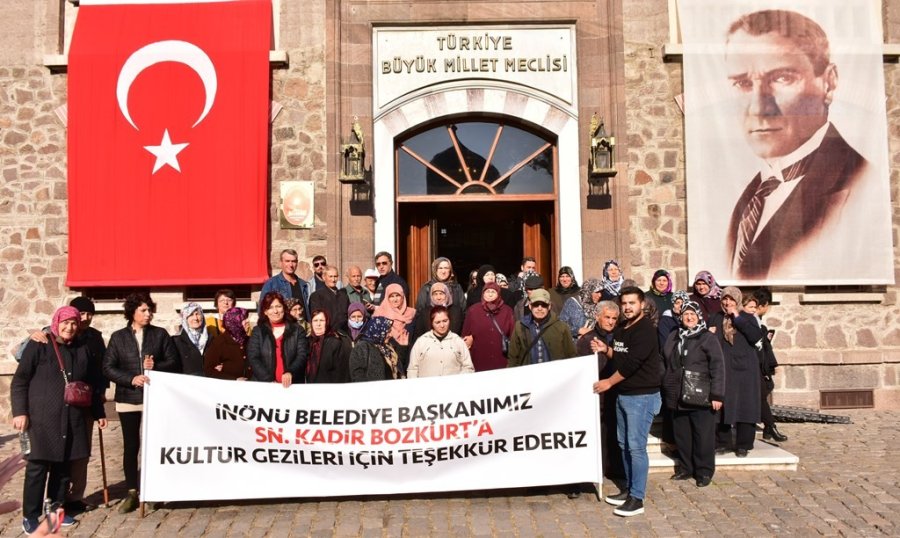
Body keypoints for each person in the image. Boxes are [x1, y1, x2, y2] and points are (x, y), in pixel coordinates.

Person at [722, 9, 888, 281]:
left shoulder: (861, 185)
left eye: (782, 78)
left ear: (829, 83)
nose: (758, 107)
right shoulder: (749, 200)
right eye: (742, 83)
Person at [12, 306, 107, 532]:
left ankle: (55, 509)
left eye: (74, 323)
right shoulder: (40, 345)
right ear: (56, 322)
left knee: (63, 468)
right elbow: (20, 381)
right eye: (65, 322)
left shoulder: (83, 349)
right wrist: (20, 412)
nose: (70, 327)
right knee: (38, 467)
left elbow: (91, 384)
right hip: (42, 419)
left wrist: (99, 413)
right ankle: (31, 516)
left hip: (72, 417)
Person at [102, 292, 178, 513]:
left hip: (155, 397)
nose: (148, 314)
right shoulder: (118, 337)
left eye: (150, 310)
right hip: (128, 398)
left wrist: (156, 367)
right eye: (143, 310)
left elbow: (173, 361)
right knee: (131, 445)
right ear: (132, 313)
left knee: (154, 445)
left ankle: (153, 489)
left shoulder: (160, 334)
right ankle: (132, 491)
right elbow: (108, 366)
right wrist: (131, 379)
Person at [592, 287, 663, 517]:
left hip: (642, 397)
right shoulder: (622, 328)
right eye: (624, 303)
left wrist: (608, 383)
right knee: (624, 444)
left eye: (632, 303)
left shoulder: (646, 331)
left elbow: (632, 364)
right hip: (625, 395)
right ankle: (628, 489)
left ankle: (637, 498)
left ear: (641, 304)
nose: (628, 307)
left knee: (636, 447)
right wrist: (607, 350)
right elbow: (622, 356)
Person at [661, 301, 725, 488]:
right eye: (686, 314)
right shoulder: (674, 336)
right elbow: (664, 360)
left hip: (701, 396)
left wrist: (717, 395)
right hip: (677, 394)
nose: (689, 317)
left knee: (702, 436)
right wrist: (665, 380)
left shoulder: (707, 338)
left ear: (699, 317)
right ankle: (686, 468)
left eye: (693, 314)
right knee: (682, 436)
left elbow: (718, 367)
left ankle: (704, 471)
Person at [710, 287, 763, 457]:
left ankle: (743, 444)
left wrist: (737, 316)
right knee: (724, 406)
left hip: (745, 370)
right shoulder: (716, 318)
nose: (728, 303)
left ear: (738, 300)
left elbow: (755, 336)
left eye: (731, 299)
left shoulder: (747, 318)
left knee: (745, 405)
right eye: (725, 299)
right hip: (724, 369)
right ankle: (723, 443)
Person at [576, 300, 624, 481]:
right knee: (600, 434)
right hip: (598, 395)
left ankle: (616, 468)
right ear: (597, 317)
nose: (611, 322)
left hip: (619, 393)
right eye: (607, 317)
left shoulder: (621, 336)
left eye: (614, 318)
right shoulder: (587, 340)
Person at [247, 292, 309, 387]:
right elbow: (253, 357)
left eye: (278, 306)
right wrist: (268, 380)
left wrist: (291, 372)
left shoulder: (297, 330)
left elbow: (302, 355)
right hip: (264, 386)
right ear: (265, 311)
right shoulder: (258, 331)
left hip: (292, 386)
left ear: (284, 308)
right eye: (270, 308)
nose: (275, 311)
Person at [753, 287, 788, 442]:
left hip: (759, 365)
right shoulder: (753, 321)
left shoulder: (759, 322)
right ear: (765, 305)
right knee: (761, 394)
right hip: (752, 365)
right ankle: (770, 426)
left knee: (766, 389)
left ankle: (768, 427)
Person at [507, 288, 576, 367]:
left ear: (549, 306)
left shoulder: (561, 327)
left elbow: (571, 355)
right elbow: (513, 357)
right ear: (530, 306)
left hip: (554, 375)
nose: (540, 308)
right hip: (528, 375)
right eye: (536, 304)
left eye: (544, 305)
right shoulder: (520, 326)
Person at [407, 306, 475, 378]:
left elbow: (468, 367)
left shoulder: (458, 341)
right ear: (432, 323)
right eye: (437, 322)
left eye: (445, 321)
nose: (442, 325)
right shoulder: (421, 342)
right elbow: (412, 369)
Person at [461, 282, 514, 372]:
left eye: (493, 292)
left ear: (498, 294)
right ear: (483, 293)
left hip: (501, 360)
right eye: (487, 291)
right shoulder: (473, 310)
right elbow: (465, 334)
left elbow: (512, 334)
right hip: (479, 359)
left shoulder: (507, 311)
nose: (490, 294)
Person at [373, 283, 416, 371]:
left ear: (403, 297)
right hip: (387, 361)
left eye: (398, 295)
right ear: (386, 298)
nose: (395, 299)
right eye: (391, 296)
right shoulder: (379, 315)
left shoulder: (412, 313)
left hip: (408, 357)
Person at [260, 249, 310, 320]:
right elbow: (262, 309)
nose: (291, 265)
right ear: (281, 263)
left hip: (302, 327)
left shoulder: (303, 284)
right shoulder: (271, 283)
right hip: (282, 328)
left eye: (293, 261)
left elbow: (307, 310)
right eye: (287, 261)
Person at [349, 316, 403, 381]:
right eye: (388, 332)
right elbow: (357, 375)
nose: (391, 335)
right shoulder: (362, 347)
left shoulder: (387, 347)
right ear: (378, 331)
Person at [203, 307, 250, 380]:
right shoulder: (220, 342)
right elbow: (209, 370)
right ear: (234, 322)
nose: (247, 321)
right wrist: (233, 380)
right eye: (243, 319)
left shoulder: (249, 340)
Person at [305, 310, 349, 383]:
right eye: (315, 320)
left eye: (322, 320)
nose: (318, 324)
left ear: (327, 323)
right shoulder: (307, 342)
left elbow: (341, 373)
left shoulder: (335, 343)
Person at [172, 302, 210, 376]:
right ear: (185, 318)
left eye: (198, 314)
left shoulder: (211, 338)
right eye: (191, 315)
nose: (195, 318)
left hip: (208, 383)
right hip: (187, 384)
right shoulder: (176, 340)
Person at [308, 265, 350, 331]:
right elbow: (317, 318)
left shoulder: (343, 296)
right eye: (330, 276)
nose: (333, 280)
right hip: (327, 334)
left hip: (343, 333)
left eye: (335, 276)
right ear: (324, 277)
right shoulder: (317, 296)